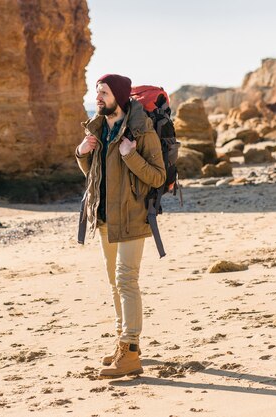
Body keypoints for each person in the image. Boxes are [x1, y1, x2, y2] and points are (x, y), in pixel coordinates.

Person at [75, 74, 166, 378]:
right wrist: (82, 154)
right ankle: (123, 344)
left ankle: (130, 351)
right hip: (104, 217)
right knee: (115, 283)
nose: (98, 98)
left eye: (103, 93)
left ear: (120, 96)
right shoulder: (99, 127)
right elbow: (95, 175)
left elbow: (157, 177)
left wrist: (130, 156)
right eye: (96, 92)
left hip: (132, 217)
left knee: (127, 281)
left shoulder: (141, 128)